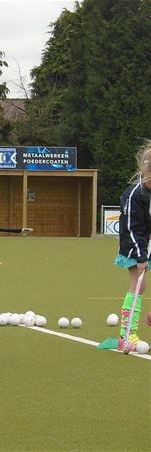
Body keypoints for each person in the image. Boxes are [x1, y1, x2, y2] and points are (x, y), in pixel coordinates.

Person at [114, 139, 151, 350]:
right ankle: (126, 335)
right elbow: (132, 227)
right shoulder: (134, 194)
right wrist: (141, 257)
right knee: (139, 284)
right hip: (133, 244)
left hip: (148, 240)